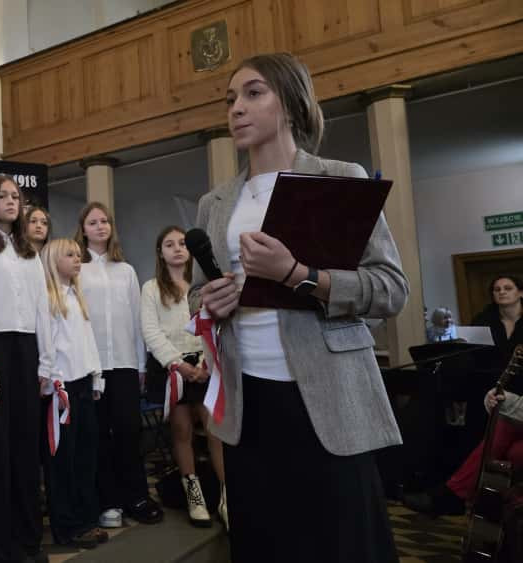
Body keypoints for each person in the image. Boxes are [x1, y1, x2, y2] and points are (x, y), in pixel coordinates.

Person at [190, 52, 407, 562]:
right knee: (266, 542)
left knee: (342, 543)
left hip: (327, 398)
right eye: (230, 100)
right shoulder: (214, 203)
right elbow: (199, 294)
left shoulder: (339, 177)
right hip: (249, 407)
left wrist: (298, 275)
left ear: (290, 103)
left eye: (253, 93)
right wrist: (212, 301)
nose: (236, 109)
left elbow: (391, 288)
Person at [0, 174, 54, 563]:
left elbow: (42, 309)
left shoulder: (28, 251)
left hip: (27, 349)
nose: (10, 201)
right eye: (1, 196)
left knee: (24, 449)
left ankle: (28, 539)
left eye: (15, 196)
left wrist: (46, 361)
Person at [74, 202, 162, 528]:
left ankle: (136, 496)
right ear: (83, 229)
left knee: (128, 431)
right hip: (92, 365)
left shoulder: (126, 271)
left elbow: (137, 322)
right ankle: (107, 501)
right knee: (98, 435)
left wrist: (140, 365)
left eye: (105, 221)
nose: (100, 227)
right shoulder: (77, 268)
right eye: (93, 222)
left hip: (125, 363)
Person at [404, 275, 523, 515]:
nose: (502, 292)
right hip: (489, 390)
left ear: (520, 293)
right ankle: (468, 498)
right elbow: (472, 360)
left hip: (518, 391)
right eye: (497, 289)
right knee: (489, 433)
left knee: (508, 442)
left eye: (508, 288)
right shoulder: (484, 320)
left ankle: (456, 496)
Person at [141, 225, 225, 528]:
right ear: (160, 253)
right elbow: (151, 332)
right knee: (182, 430)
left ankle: (227, 497)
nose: (177, 248)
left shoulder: (200, 285)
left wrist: (204, 362)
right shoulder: (151, 288)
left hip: (205, 366)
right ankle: (194, 494)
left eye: (181, 243)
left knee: (216, 428)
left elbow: (213, 324)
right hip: (172, 369)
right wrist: (179, 365)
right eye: (169, 244)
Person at [39, 238, 107, 549]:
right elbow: (47, 345)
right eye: (70, 255)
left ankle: (86, 518)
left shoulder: (77, 297)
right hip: (60, 390)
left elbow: (87, 341)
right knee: (61, 462)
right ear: (53, 260)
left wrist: (96, 378)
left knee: (85, 456)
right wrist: (52, 381)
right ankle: (66, 526)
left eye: (79, 255)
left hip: (82, 385)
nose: (78, 259)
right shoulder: (48, 299)